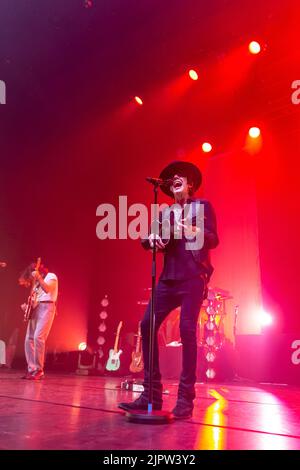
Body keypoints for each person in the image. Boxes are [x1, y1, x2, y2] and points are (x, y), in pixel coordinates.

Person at [119, 161, 219, 418]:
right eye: (172, 178)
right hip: (168, 280)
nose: (175, 178)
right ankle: (150, 395)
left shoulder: (202, 206)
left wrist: (187, 228)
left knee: (187, 329)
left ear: (190, 185)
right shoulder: (164, 213)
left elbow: (212, 239)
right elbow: (149, 240)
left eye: (180, 177)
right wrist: (154, 241)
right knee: (146, 325)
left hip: (193, 278)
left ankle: (186, 398)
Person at [19, 262, 58, 380]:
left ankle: (39, 370)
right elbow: (35, 301)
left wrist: (39, 278)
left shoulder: (51, 276)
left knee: (38, 337)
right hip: (37, 309)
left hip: (47, 307)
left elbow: (47, 289)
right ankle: (32, 369)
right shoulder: (35, 284)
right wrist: (28, 307)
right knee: (28, 339)